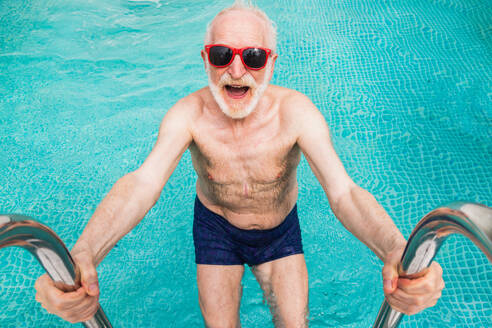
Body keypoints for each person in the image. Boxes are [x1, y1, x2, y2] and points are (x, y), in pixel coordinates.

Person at [34, 2, 445, 327]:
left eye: (252, 56)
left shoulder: (296, 114)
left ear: (271, 61)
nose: (235, 70)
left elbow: (343, 192)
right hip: (216, 230)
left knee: (293, 324)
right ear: (204, 58)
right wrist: (83, 253)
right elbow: (143, 183)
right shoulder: (189, 115)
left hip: (279, 235)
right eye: (221, 54)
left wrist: (396, 250)